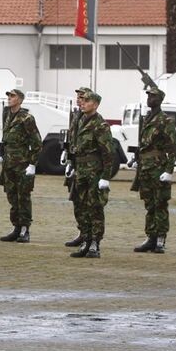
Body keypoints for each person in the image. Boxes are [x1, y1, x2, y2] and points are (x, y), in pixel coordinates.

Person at [130, 87, 176, 254]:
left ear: (160, 100)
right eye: (148, 96)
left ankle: (160, 239)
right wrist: (136, 159)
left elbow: (173, 148)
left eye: (153, 96)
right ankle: (151, 237)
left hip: (158, 167)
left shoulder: (165, 120)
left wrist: (169, 170)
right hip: (145, 168)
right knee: (149, 204)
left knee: (160, 204)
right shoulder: (146, 119)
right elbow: (143, 144)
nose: (149, 98)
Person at [68, 91, 115, 259]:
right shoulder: (80, 121)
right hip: (81, 171)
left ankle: (95, 243)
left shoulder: (100, 125)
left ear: (95, 104)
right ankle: (86, 241)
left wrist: (105, 176)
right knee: (82, 207)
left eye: (87, 101)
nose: (83, 103)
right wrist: (71, 164)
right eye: (83, 100)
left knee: (95, 208)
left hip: (94, 172)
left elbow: (108, 153)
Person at [0, 88, 42, 244]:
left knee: (23, 196)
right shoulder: (7, 114)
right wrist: (1, 153)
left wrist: (32, 164)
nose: (9, 98)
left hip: (22, 163)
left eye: (13, 96)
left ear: (20, 100)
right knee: (11, 196)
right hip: (8, 164)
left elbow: (36, 143)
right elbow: (6, 137)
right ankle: (16, 227)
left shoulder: (26, 118)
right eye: (8, 96)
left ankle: (24, 229)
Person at [64, 87, 91, 247]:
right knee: (76, 199)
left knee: (86, 202)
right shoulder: (76, 116)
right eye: (78, 97)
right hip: (75, 163)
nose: (78, 100)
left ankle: (89, 235)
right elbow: (72, 138)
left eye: (82, 97)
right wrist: (67, 156)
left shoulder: (90, 118)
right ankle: (82, 232)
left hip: (87, 166)